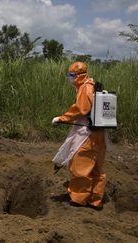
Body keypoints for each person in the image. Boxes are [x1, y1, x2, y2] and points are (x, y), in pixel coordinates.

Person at [52, 61, 107, 209]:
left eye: (71, 75)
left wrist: (62, 118)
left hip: (87, 133)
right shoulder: (94, 86)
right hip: (99, 133)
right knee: (96, 167)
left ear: (77, 75)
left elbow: (80, 109)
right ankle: (95, 199)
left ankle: (78, 199)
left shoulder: (85, 88)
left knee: (80, 165)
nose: (70, 78)